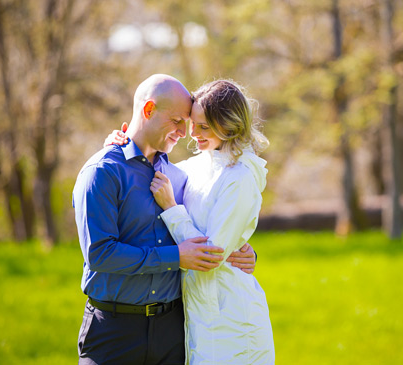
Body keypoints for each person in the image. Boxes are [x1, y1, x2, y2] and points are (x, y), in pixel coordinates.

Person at [72, 74, 257, 365]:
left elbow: (207, 220)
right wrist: (175, 257)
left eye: (190, 123)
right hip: (115, 330)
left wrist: (240, 247)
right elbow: (99, 253)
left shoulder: (180, 176)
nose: (185, 132)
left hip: (173, 330)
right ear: (148, 111)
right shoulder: (103, 172)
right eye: (177, 121)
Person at [149, 80, 274, 363]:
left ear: (229, 126)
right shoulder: (197, 165)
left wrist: (171, 207)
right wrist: (118, 144)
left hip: (233, 320)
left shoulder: (240, 177)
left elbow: (209, 256)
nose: (194, 134)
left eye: (204, 127)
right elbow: (146, 163)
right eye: (193, 124)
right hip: (199, 315)